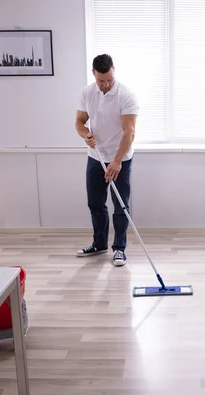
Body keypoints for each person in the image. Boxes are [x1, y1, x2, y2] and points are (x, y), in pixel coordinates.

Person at [75, 54, 139, 266]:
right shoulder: (87, 93)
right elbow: (79, 122)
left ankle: (119, 249)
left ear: (114, 71)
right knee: (95, 203)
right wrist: (86, 135)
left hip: (121, 158)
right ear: (94, 74)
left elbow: (129, 132)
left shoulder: (126, 95)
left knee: (120, 206)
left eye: (109, 79)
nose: (106, 84)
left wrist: (117, 161)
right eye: (101, 80)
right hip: (96, 157)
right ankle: (99, 243)